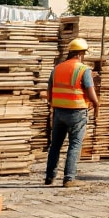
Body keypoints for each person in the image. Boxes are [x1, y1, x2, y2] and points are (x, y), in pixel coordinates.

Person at [44, 38, 100, 187]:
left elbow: (49, 93)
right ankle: (69, 178)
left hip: (58, 112)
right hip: (77, 112)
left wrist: (55, 105)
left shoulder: (57, 69)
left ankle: (49, 177)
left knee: (55, 145)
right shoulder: (83, 69)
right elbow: (90, 91)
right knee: (75, 145)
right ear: (81, 53)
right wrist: (96, 105)